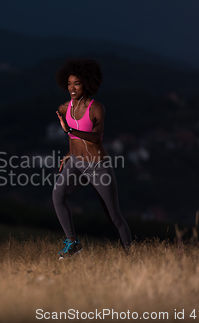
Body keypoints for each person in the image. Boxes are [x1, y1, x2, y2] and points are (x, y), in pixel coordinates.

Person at [53, 58, 132, 259]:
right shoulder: (64, 108)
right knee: (58, 195)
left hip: (97, 166)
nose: (72, 88)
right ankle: (72, 244)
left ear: (86, 84)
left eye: (77, 83)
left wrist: (70, 129)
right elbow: (73, 139)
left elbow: (96, 138)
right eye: (69, 83)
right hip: (75, 164)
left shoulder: (96, 108)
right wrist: (69, 154)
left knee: (113, 216)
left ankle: (130, 257)